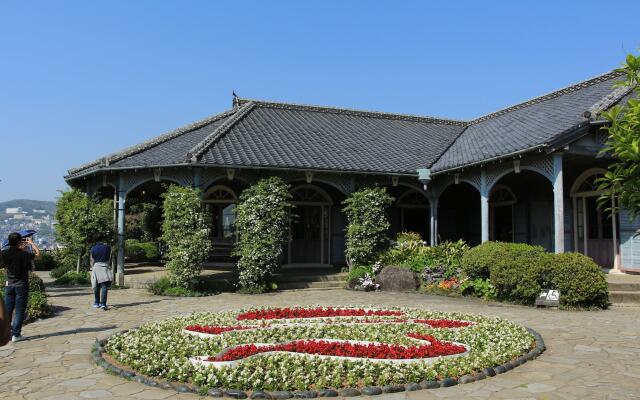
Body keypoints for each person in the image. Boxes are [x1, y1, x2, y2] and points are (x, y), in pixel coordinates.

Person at [0, 232, 35, 342]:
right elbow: (38, 255)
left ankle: (6, 333)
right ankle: (16, 334)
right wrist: (31, 244)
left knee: (8, 310)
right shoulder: (23, 254)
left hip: (9, 284)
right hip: (21, 285)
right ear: (20, 241)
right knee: (19, 310)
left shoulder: (4, 253)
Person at [90, 237, 113, 310]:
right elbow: (110, 258)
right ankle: (103, 304)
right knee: (104, 286)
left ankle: (97, 303)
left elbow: (92, 260)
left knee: (96, 286)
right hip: (105, 266)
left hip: (96, 266)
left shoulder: (93, 248)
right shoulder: (108, 248)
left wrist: (92, 268)